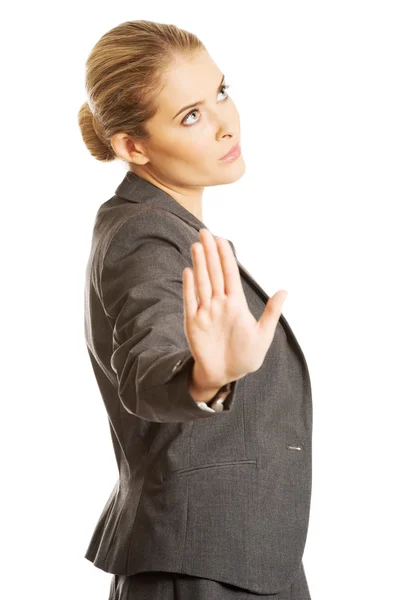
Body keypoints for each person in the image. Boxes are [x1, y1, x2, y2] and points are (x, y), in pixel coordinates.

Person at [78, 19, 313, 599]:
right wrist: (203, 378)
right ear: (133, 147)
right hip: (199, 571)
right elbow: (147, 363)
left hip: (237, 559)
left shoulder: (166, 227)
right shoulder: (147, 238)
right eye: (190, 115)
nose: (224, 123)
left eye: (221, 94)